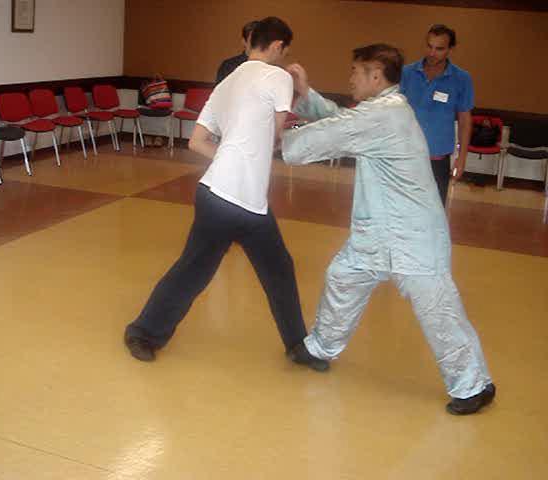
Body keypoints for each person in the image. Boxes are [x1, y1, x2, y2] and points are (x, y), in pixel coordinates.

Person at [281, 44, 495, 414]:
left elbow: (327, 135)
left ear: (375, 75)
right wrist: (305, 94)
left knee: (438, 310)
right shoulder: (378, 112)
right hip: (378, 233)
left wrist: (270, 131)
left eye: (355, 72)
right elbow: (340, 121)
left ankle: (473, 385)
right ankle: (319, 348)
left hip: (413, 237)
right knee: (342, 278)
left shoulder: (386, 115)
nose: (350, 79)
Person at [124, 17, 327, 372]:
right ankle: (142, 332)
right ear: (277, 46)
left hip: (223, 194)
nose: (284, 57)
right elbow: (278, 135)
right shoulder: (278, 77)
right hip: (236, 200)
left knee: (210, 269)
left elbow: (196, 141)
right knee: (260, 270)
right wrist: (297, 89)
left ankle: (297, 345)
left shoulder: (227, 82)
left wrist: (232, 157)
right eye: (285, 50)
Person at [400, 24, 474, 206]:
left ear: (450, 49)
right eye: (429, 46)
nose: (432, 53)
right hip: (405, 156)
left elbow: (465, 120)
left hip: (438, 159)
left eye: (439, 49)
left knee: (434, 211)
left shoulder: (461, 79)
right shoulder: (407, 73)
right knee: (402, 211)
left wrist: (462, 158)